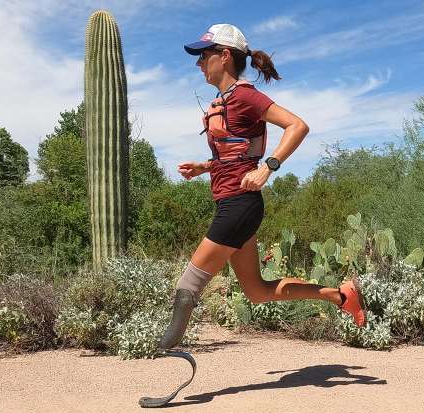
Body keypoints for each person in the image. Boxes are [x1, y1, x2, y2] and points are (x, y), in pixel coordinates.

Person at [157, 23, 367, 352]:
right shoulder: (224, 100)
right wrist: (206, 166)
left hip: (240, 205)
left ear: (224, 57)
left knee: (188, 286)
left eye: (203, 55)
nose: (198, 63)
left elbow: (297, 126)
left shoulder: (244, 96)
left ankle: (160, 353)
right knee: (256, 292)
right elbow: (239, 152)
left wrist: (268, 168)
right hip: (233, 203)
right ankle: (340, 295)